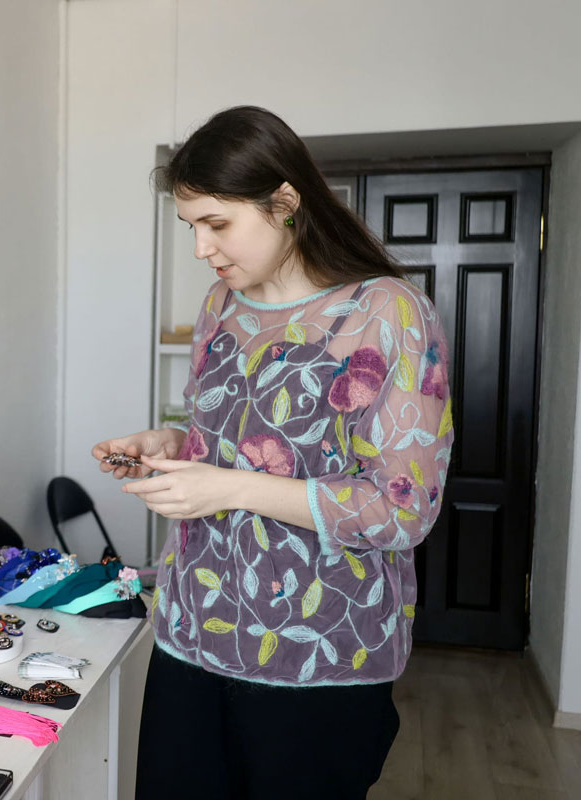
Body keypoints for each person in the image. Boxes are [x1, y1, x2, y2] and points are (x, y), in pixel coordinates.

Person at [92, 106, 454, 800]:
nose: (201, 248)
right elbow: (234, 442)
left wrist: (228, 488)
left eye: (217, 223)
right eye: (191, 227)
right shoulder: (220, 307)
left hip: (319, 654)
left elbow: (402, 511)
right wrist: (170, 445)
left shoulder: (388, 312)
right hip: (190, 632)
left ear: (285, 201)